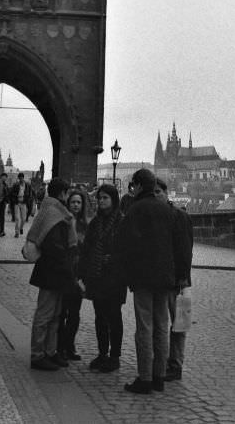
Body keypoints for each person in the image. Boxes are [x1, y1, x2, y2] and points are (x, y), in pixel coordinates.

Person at [116, 168, 192, 395]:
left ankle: (145, 378)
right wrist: (180, 277)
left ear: (139, 186)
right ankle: (159, 376)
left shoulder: (135, 209)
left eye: (133, 185)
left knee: (145, 328)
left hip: (143, 279)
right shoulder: (170, 212)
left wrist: (127, 274)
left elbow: (124, 245)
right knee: (161, 327)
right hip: (168, 280)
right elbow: (181, 249)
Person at [27, 177, 78, 371]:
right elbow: (55, 246)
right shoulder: (54, 213)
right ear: (63, 193)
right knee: (45, 314)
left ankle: (50, 351)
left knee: (55, 314)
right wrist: (68, 269)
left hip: (55, 271)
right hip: (51, 271)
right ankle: (38, 354)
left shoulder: (52, 210)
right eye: (67, 192)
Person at [79, 183, 127, 373]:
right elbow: (87, 249)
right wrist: (83, 273)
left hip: (114, 278)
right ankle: (102, 353)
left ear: (114, 200)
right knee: (100, 317)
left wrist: (113, 258)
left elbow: (126, 250)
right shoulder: (95, 222)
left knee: (114, 317)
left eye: (105, 198)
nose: (101, 201)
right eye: (99, 198)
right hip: (97, 276)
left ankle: (114, 356)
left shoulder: (122, 221)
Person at [154, 178, 193, 382]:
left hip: (179, 280)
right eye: (152, 193)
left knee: (180, 323)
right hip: (160, 279)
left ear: (167, 192)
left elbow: (186, 250)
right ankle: (162, 363)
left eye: (158, 191)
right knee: (160, 324)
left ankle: (175, 365)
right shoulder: (153, 217)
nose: (156, 196)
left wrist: (182, 277)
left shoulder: (180, 216)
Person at [57, 188, 88, 361]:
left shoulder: (85, 225)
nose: (76, 205)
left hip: (78, 273)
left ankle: (70, 346)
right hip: (65, 272)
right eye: (73, 202)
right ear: (68, 204)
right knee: (62, 313)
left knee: (75, 314)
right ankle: (60, 348)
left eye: (78, 202)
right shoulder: (64, 222)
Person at [10, 172, 32, 237]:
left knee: (24, 219)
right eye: (20, 178)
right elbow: (12, 193)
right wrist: (15, 198)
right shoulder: (15, 185)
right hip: (17, 203)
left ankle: (21, 228)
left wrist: (28, 200)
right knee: (17, 218)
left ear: (23, 178)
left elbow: (30, 193)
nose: (21, 179)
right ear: (18, 178)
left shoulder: (27, 185)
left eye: (22, 178)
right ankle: (17, 232)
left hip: (24, 203)